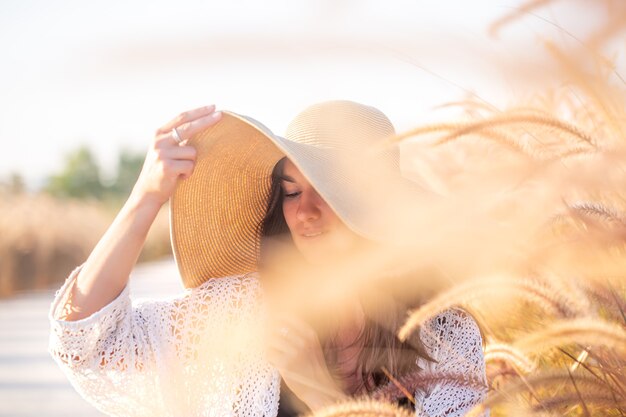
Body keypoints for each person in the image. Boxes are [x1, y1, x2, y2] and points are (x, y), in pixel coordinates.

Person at [49, 100, 489, 417]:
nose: (305, 212)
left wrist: (321, 395)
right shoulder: (239, 312)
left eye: (329, 192)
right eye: (291, 191)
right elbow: (86, 342)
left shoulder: (445, 335)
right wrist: (144, 199)